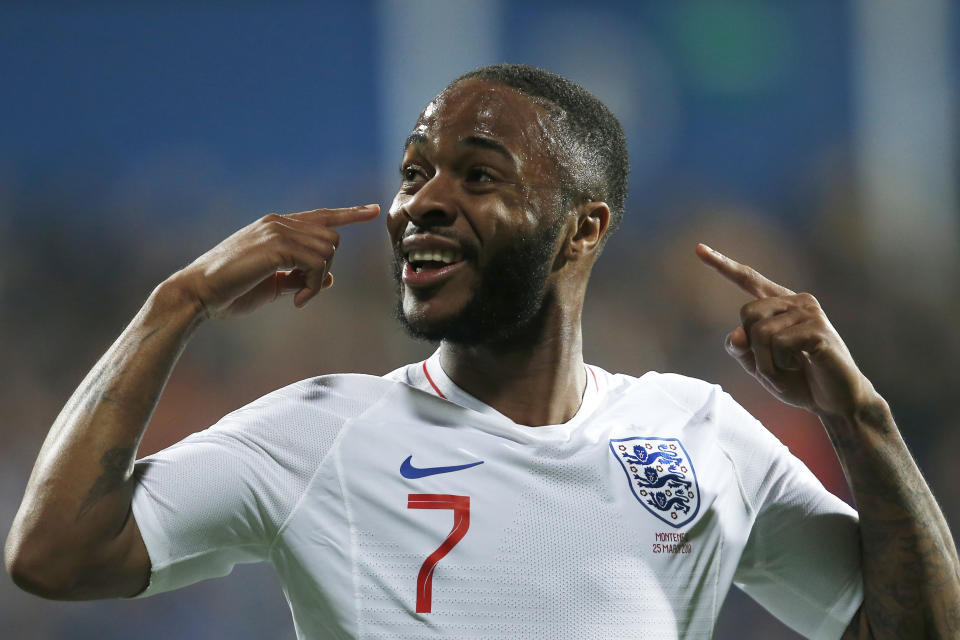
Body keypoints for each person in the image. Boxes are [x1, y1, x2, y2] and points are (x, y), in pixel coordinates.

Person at [4, 64, 958, 639]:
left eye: (478, 174)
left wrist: (860, 417)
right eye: (415, 172)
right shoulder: (321, 431)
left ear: (582, 229)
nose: (421, 200)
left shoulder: (696, 433)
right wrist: (179, 302)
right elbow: (52, 554)